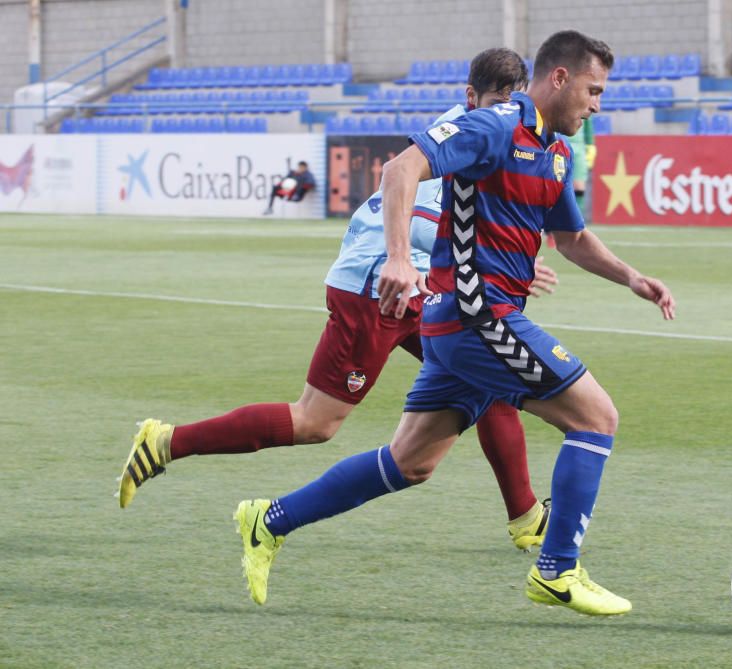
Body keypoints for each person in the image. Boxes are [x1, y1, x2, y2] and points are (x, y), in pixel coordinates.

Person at [233, 30, 675, 616]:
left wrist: (632, 278)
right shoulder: (494, 126)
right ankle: (556, 570)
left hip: (465, 326)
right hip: (477, 315)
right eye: (593, 90)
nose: (598, 104)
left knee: (409, 463)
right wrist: (396, 257)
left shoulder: (556, 152)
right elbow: (400, 169)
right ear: (560, 79)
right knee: (596, 418)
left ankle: (269, 520)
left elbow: (570, 238)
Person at [118, 48, 558, 553]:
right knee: (315, 422)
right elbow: (412, 202)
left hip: (423, 289)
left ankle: (525, 517)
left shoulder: (494, 131)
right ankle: (168, 441)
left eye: (511, 101)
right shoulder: (467, 135)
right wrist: (459, 254)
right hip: (378, 285)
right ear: (469, 98)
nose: (502, 110)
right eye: (494, 101)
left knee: (492, 381)